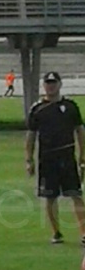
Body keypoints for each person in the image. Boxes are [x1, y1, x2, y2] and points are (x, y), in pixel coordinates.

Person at [26, 71, 85, 245]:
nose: (50, 86)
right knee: (50, 196)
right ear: (44, 85)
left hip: (67, 156)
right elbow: (31, 135)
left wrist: (83, 156)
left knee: (75, 194)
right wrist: (29, 159)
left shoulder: (70, 106)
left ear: (60, 84)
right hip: (47, 158)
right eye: (48, 83)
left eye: (53, 83)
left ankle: (84, 232)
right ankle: (56, 232)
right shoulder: (37, 109)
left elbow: (80, 130)